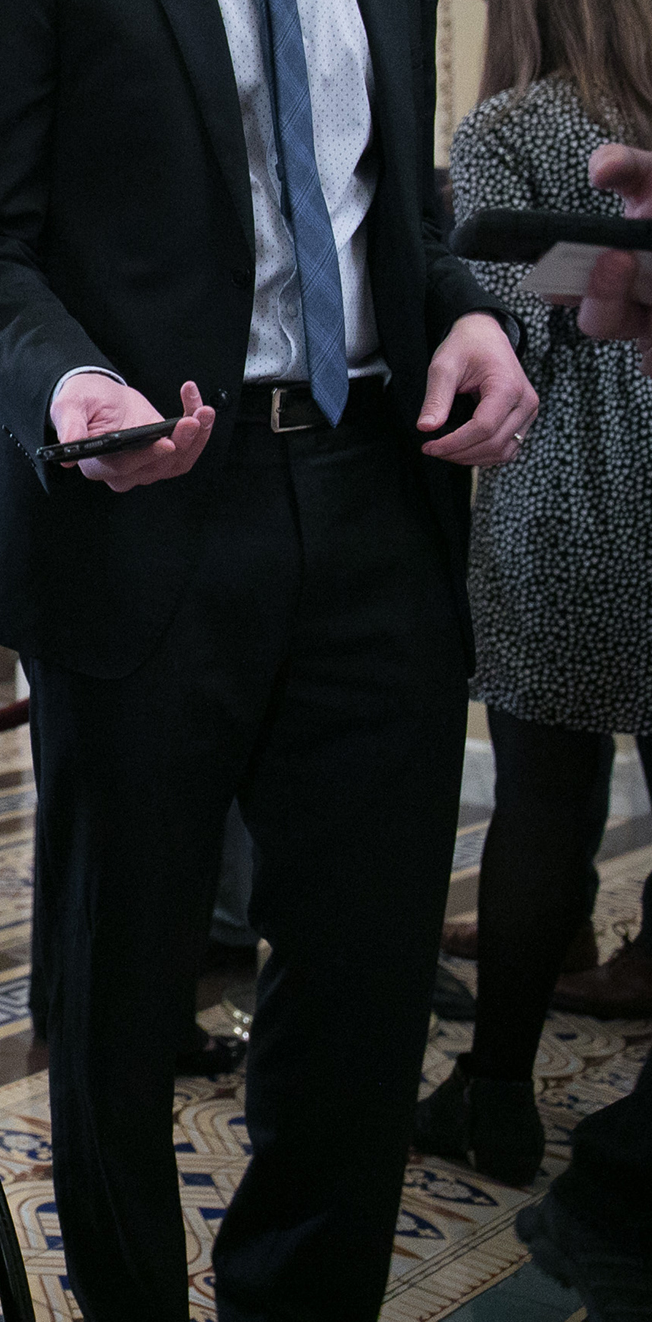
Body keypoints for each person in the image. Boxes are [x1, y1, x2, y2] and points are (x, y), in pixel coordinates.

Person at [0, 0, 539, 1316]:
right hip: (142, 499)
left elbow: (397, 223)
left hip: (375, 487)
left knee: (363, 989)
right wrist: (68, 387)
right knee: (120, 986)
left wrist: (471, 315)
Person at [414, 0, 652, 1190]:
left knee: (543, 808)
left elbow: (498, 329)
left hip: (557, 491)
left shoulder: (509, 127)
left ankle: (497, 1092)